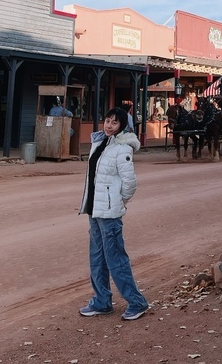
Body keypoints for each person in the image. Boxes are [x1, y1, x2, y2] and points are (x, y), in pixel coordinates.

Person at [78, 107, 149, 322]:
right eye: (107, 120)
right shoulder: (99, 143)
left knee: (115, 259)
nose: (109, 125)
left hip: (109, 213)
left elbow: (130, 184)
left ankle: (137, 302)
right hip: (94, 209)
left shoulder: (122, 148)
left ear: (122, 126)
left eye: (114, 123)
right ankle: (102, 301)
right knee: (97, 258)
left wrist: (119, 202)